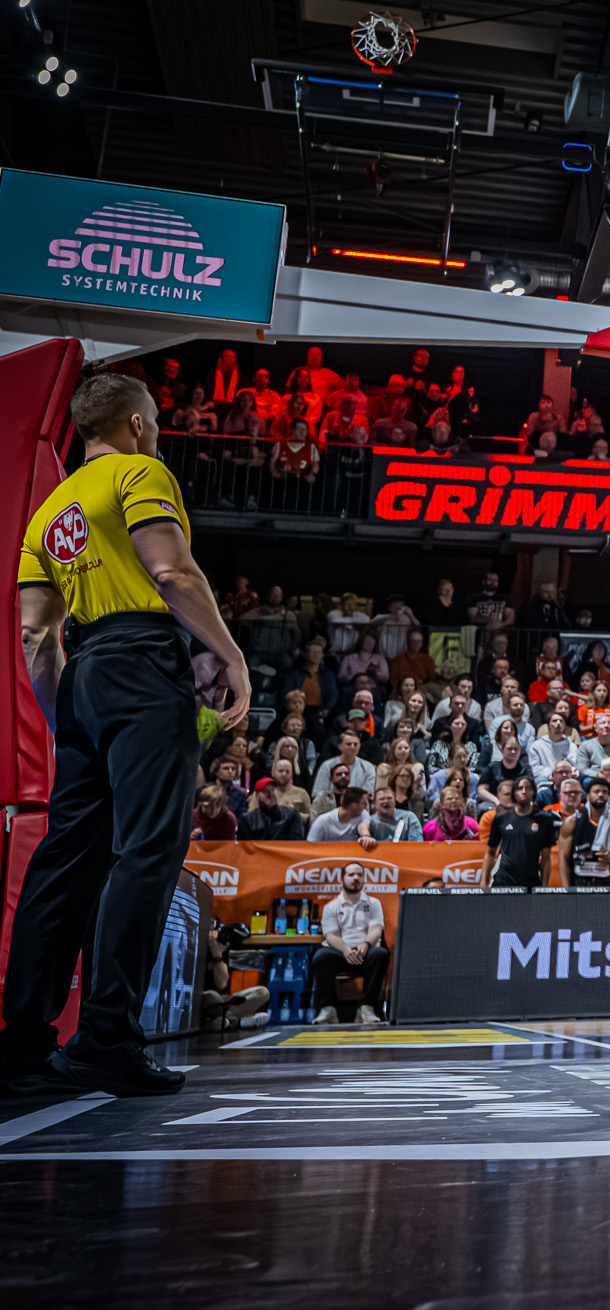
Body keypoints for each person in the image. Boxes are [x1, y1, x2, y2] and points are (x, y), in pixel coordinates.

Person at [3, 374, 250, 1099]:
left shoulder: (48, 511)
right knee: (146, 851)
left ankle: (23, 1041)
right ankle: (107, 1039)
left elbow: (35, 636)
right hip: (142, 664)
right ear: (138, 424)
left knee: (66, 856)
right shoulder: (140, 473)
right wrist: (230, 655)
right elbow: (171, 571)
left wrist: (67, 720)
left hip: (81, 674)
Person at [309, 862, 389, 1024]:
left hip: (366, 951)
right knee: (321, 956)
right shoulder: (331, 907)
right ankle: (328, 1009)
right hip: (339, 952)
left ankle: (366, 1008)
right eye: (351, 875)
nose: (356, 878)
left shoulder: (374, 903)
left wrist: (366, 944)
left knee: (380, 954)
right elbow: (331, 935)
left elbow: (376, 930)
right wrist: (345, 949)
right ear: (342, 880)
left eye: (359, 874)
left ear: (364, 879)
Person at [484, 780, 560, 888]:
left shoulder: (544, 820)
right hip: (503, 881)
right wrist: (484, 882)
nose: (523, 791)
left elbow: (546, 858)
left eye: (528, 788)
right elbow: (490, 852)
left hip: (531, 881)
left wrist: (544, 887)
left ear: (534, 792)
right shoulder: (501, 818)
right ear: (514, 793)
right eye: (519, 788)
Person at [557, 777, 610, 889]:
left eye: (604, 792)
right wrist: (567, 891)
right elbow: (563, 859)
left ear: (609, 796)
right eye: (596, 791)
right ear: (587, 796)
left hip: (604, 880)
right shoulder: (571, 822)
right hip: (579, 881)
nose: (600, 795)